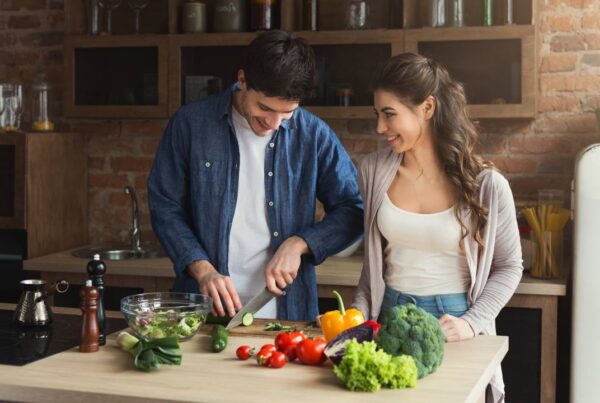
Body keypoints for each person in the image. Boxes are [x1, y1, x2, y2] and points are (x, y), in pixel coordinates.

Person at [148, 30, 363, 322]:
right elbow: (165, 207)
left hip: (288, 313)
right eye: (264, 108)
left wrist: (299, 243)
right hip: (203, 309)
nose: (273, 123)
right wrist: (203, 269)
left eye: (286, 113)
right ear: (242, 79)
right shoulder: (190, 125)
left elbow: (354, 209)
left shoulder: (314, 135)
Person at [352, 53, 522, 403]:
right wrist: (356, 318)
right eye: (377, 115)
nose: (380, 128)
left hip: (455, 324)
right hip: (388, 318)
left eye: (389, 114)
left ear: (427, 108)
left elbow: (509, 267)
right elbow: (372, 268)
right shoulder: (372, 171)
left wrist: (472, 323)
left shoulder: (486, 184)